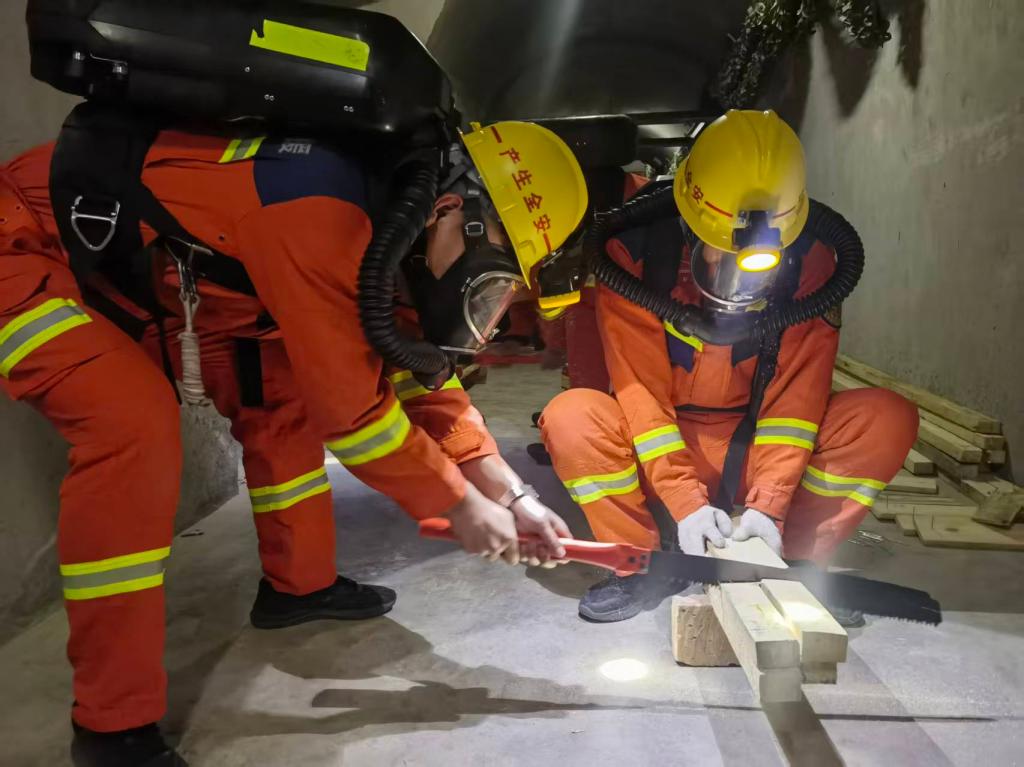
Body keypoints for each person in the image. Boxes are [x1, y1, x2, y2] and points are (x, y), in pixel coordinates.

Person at [1, 117, 586, 766]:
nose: (488, 298)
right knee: (134, 428)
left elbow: (415, 372)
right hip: (22, 243)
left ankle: (298, 588)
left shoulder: (394, 233)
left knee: (279, 395)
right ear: (452, 209)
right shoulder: (322, 212)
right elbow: (354, 417)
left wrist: (512, 491)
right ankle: (111, 727)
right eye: (496, 273)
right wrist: (459, 505)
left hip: (166, 278)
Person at [540, 110, 919, 624]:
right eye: (720, 251)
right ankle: (640, 565)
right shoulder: (634, 255)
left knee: (885, 419)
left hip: (756, 445)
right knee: (572, 418)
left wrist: (769, 506)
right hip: (663, 446)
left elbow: (796, 402)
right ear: (689, 219)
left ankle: (794, 563)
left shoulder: (812, 263)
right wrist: (684, 501)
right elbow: (641, 396)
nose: (736, 274)